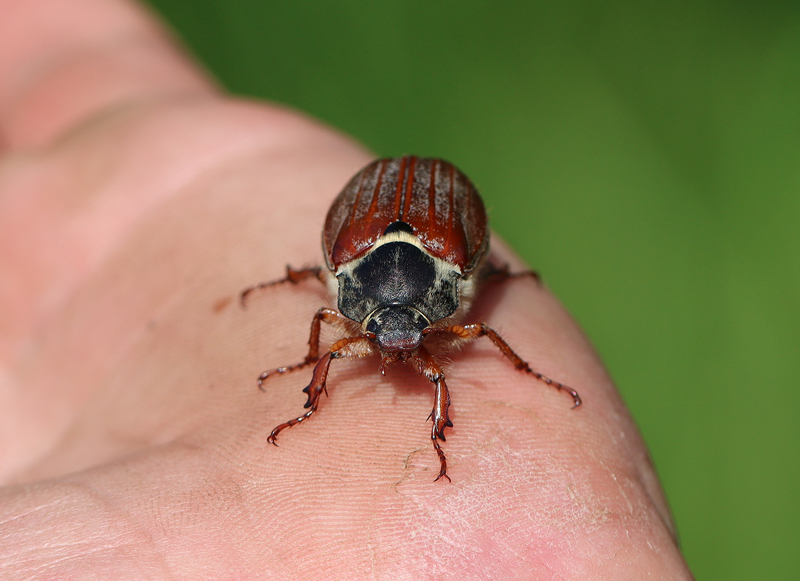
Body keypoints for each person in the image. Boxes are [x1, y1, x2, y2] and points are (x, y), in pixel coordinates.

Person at [0, 0, 693, 578]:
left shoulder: (452, 287)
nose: (394, 341)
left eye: (409, 329)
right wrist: (313, 372)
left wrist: (524, 373)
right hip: (375, 226)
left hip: (420, 220)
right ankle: (310, 387)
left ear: (437, 303)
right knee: (327, 337)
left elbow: (474, 326)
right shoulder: (348, 309)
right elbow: (339, 325)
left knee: (475, 323)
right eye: (385, 327)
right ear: (353, 292)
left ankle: (410, 374)